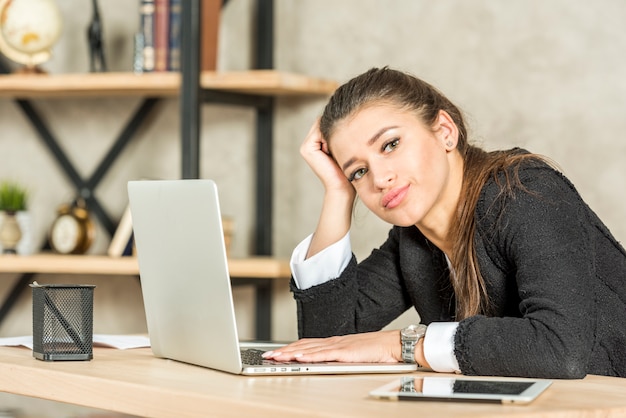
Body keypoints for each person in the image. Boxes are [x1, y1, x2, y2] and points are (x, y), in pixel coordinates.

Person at [262, 67, 626, 379]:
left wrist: (402, 344)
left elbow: (561, 348)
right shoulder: (413, 241)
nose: (379, 178)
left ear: (445, 131)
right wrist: (338, 192)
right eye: (358, 171)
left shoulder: (525, 192)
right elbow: (325, 345)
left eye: (390, 145)